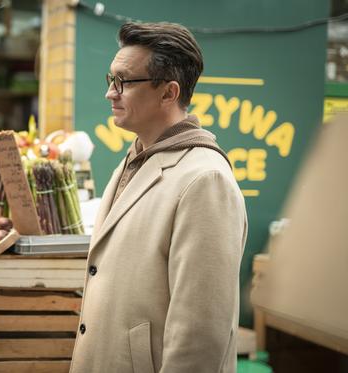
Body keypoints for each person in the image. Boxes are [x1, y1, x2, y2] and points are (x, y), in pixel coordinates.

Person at [70, 22, 247, 373]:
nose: (111, 93)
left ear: (168, 93)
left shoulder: (205, 179)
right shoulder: (136, 158)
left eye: (124, 81)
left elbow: (201, 332)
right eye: (111, 80)